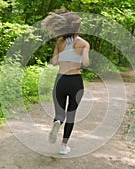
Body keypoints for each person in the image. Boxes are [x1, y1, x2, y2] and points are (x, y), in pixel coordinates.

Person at [41, 8, 90, 155]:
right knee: (71, 114)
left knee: (60, 112)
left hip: (60, 80)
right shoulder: (84, 43)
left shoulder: (60, 42)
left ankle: (57, 121)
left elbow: (54, 62)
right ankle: (63, 146)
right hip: (75, 81)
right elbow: (86, 64)